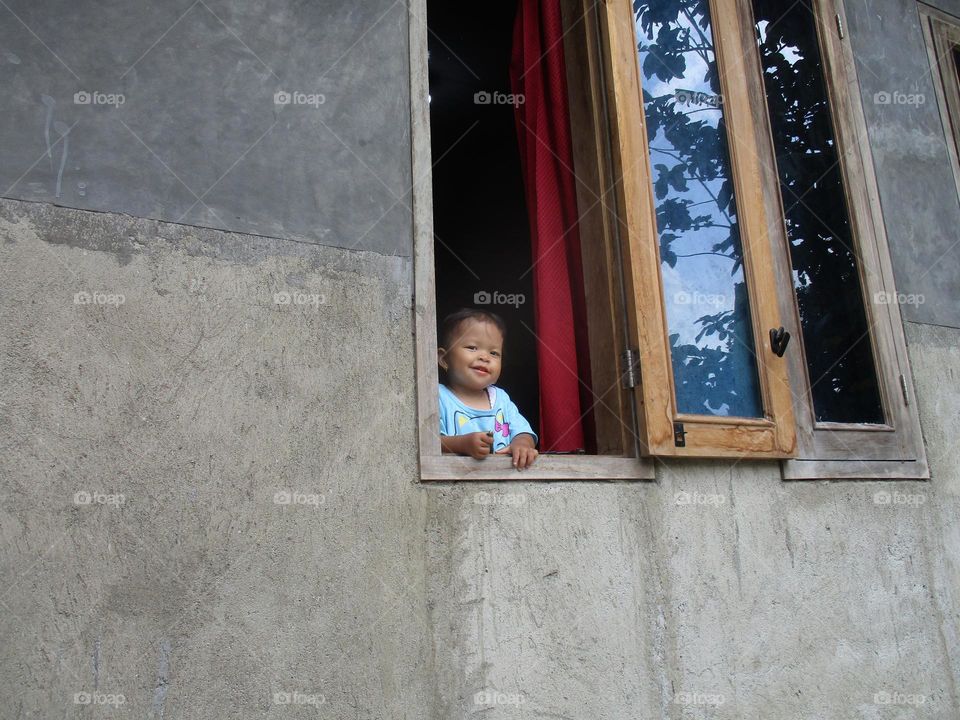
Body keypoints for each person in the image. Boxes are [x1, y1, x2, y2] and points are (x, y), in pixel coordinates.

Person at [437, 308, 539, 470]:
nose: (484, 357)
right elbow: (429, 441)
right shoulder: (439, 396)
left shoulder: (501, 398)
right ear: (444, 359)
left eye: (494, 353)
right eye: (472, 347)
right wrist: (462, 444)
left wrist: (522, 444)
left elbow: (523, 431)